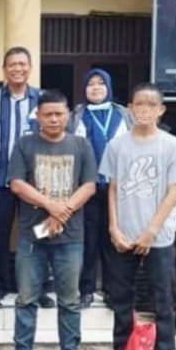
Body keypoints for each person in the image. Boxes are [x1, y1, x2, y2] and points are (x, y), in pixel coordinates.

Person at [100, 82, 176, 350]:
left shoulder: (172, 146)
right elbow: (112, 188)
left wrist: (151, 231)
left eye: (152, 105)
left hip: (158, 239)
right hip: (123, 237)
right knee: (121, 301)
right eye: (139, 104)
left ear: (161, 110)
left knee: (162, 302)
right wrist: (113, 227)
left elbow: (174, 191)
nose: (145, 110)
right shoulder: (117, 146)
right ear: (130, 108)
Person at [4, 90, 96, 350]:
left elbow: (89, 186)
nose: (54, 119)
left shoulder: (81, 145)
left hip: (71, 236)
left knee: (70, 299)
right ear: (38, 116)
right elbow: (17, 184)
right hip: (32, 235)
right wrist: (51, 206)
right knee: (26, 298)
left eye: (59, 113)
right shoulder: (25, 144)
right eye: (48, 114)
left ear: (68, 115)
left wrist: (62, 211)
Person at [0, 46, 46, 308]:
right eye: (12, 64)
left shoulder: (42, 99)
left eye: (22, 64)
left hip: (35, 183)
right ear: (4, 69)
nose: (17, 68)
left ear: (30, 67)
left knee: (38, 234)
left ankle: (37, 286)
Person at [69, 68, 133, 308]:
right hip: (87, 187)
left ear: (109, 87)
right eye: (90, 84)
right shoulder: (77, 115)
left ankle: (111, 290)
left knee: (113, 240)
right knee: (88, 240)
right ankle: (85, 290)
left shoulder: (123, 114)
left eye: (100, 83)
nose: (95, 88)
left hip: (118, 187)